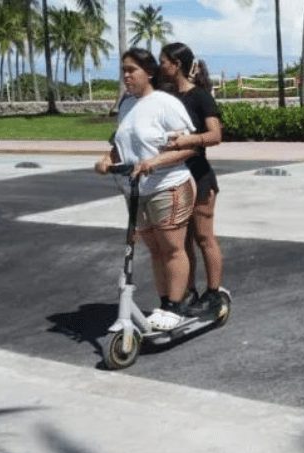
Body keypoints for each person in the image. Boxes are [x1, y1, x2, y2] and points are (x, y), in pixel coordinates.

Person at [94, 48, 199, 331]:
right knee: (154, 250)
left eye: (132, 70)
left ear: (149, 72)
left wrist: (156, 162)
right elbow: (121, 146)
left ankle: (176, 306)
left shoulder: (165, 103)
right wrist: (108, 159)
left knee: (172, 248)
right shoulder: (127, 104)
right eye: (123, 71)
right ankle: (165, 303)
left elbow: (190, 146)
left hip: (168, 185)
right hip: (137, 190)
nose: (126, 76)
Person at [157, 42, 229, 319]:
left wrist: (190, 140)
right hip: (173, 177)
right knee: (182, 241)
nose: (160, 66)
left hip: (198, 176)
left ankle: (213, 293)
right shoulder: (166, 98)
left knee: (203, 237)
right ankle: (189, 292)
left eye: (164, 61)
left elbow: (216, 135)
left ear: (177, 65)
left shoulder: (200, 96)